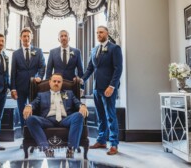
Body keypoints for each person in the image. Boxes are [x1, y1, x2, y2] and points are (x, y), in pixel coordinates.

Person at [23, 73, 88, 158]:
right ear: (50, 82)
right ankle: (46, 149)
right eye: (54, 81)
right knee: (30, 119)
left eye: (59, 82)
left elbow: (77, 103)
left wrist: (82, 105)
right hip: (47, 120)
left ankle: (71, 149)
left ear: (62, 83)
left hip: (66, 119)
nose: (56, 83)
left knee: (78, 116)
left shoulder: (69, 93)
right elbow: (34, 103)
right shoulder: (42, 95)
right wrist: (29, 106)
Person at [82, 25, 123, 155]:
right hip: (96, 88)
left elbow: (118, 69)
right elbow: (90, 68)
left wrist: (112, 86)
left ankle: (114, 144)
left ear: (107, 33)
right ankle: (101, 140)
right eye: (97, 33)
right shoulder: (94, 50)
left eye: (101, 32)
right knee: (100, 116)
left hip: (108, 88)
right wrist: (82, 80)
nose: (98, 34)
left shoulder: (114, 48)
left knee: (110, 116)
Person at [11, 27, 46, 130]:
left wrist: (39, 77)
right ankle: (25, 137)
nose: (26, 38)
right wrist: (13, 88)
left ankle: (34, 135)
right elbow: (13, 72)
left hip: (34, 87)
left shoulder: (38, 51)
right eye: (24, 36)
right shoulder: (16, 54)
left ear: (32, 37)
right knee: (22, 112)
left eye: (28, 36)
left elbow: (42, 66)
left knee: (34, 111)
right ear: (20, 38)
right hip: (20, 87)